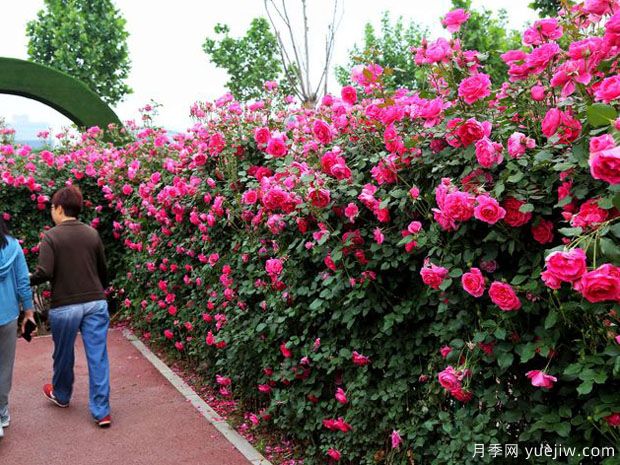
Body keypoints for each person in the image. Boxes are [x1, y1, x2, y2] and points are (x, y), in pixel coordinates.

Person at [30, 185, 112, 428]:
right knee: (98, 357)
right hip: (96, 302)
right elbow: (102, 271)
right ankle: (102, 412)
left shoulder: (52, 236)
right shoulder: (92, 234)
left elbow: (44, 272)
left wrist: (24, 278)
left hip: (65, 305)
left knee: (63, 354)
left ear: (58, 209)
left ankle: (62, 395)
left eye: (52, 208)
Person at [0, 216, 36, 440]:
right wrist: (29, 312)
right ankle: (2, 410)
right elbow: (23, 280)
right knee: (5, 365)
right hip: (8, 315)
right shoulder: (13, 247)